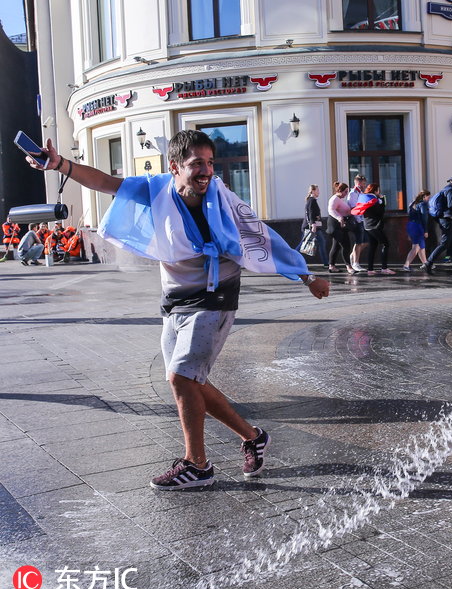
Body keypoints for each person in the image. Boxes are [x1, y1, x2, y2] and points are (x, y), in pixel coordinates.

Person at [25, 131, 330, 491]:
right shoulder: (155, 190)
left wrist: (306, 275)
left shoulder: (222, 197)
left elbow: (260, 235)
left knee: (182, 377)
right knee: (189, 380)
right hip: (175, 299)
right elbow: (107, 183)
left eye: (210, 163)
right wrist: (60, 164)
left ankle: (197, 465)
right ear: (174, 167)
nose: (206, 171)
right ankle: (252, 436)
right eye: (196, 164)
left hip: (215, 296)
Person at [423, 177, 452, 274]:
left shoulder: (445, 189)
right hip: (446, 219)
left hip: (443, 218)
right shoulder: (450, 191)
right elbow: (451, 205)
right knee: (445, 244)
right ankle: (428, 263)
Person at [326, 181, 356, 274]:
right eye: (345, 192)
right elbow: (331, 210)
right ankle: (349, 266)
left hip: (340, 226)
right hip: (336, 226)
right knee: (346, 245)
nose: (346, 194)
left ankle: (332, 266)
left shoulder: (339, 199)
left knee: (336, 246)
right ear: (340, 190)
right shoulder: (334, 199)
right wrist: (340, 218)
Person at [346, 173, 369, 272]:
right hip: (357, 221)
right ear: (358, 183)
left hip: (362, 220)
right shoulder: (353, 193)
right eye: (363, 183)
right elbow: (353, 208)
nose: (365, 185)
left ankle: (353, 255)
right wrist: (359, 220)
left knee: (366, 241)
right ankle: (355, 263)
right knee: (358, 242)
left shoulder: (360, 193)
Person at [302, 184, 329, 268]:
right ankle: (326, 263)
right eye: (317, 190)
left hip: (313, 226)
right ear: (313, 191)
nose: (319, 192)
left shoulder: (311, 200)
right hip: (312, 227)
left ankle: (326, 263)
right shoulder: (312, 200)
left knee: (307, 244)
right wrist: (313, 224)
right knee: (305, 245)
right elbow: (310, 213)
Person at [402, 190, 430, 271]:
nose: (428, 199)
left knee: (422, 247)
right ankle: (406, 265)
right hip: (418, 226)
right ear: (424, 196)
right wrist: (426, 230)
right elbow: (424, 217)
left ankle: (425, 263)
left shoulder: (413, 203)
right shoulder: (423, 204)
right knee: (416, 247)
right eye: (428, 197)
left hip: (410, 225)